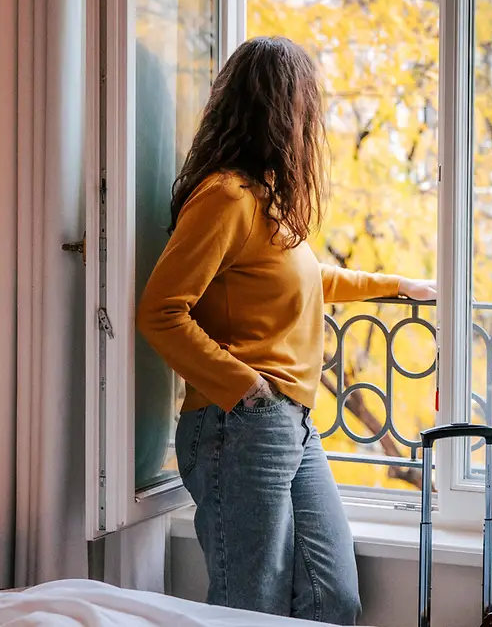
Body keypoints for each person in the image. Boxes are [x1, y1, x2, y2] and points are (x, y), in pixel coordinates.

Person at [136, 36, 435, 624]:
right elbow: (161, 311)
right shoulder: (225, 197)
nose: (312, 126)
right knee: (252, 606)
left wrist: (396, 285)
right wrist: (243, 386)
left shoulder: (266, 200)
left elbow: (304, 279)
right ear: (281, 112)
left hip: (289, 424)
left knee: (334, 598)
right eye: (307, 109)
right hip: (241, 422)